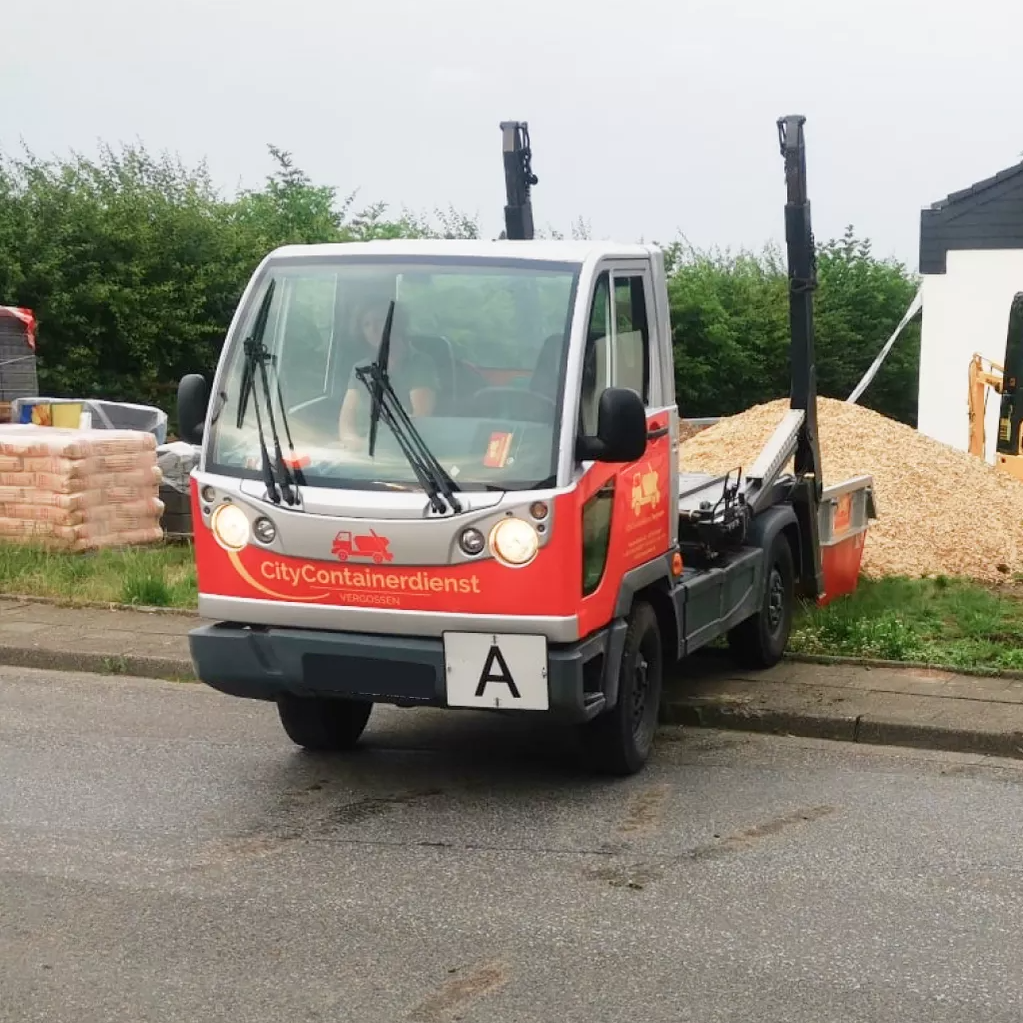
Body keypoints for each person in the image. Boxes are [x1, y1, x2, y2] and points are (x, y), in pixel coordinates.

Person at [338, 299, 438, 449]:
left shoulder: (420, 363)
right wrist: (355, 443)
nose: (373, 329)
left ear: (397, 324)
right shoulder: (360, 368)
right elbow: (346, 423)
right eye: (366, 324)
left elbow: (420, 418)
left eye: (379, 321)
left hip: (407, 449)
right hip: (361, 450)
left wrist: (381, 446)